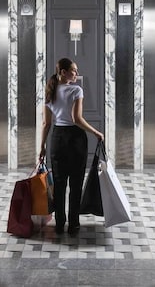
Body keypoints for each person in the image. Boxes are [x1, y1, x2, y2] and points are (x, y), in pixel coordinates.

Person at [39, 57, 104, 236]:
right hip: (75, 139)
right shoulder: (76, 90)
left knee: (59, 185)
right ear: (63, 72)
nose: (76, 74)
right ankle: (73, 225)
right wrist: (96, 133)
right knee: (76, 184)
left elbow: (46, 123)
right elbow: (77, 119)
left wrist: (42, 147)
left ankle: (60, 224)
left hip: (57, 140)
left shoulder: (50, 91)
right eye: (74, 70)